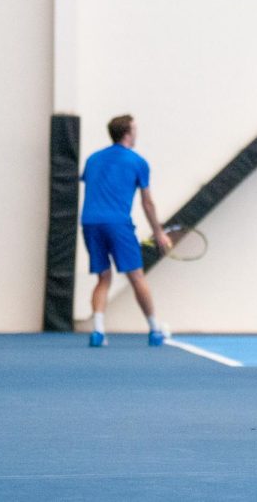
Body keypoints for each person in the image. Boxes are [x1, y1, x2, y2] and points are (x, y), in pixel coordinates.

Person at [80, 114, 172, 347]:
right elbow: (147, 202)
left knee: (103, 277)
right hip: (118, 223)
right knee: (136, 276)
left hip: (89, 222)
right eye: (135, 129)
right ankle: (154, 329)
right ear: (128, 133)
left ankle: (98, 331)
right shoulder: (137, 162)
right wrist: (159, 232)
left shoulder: (92, 159)